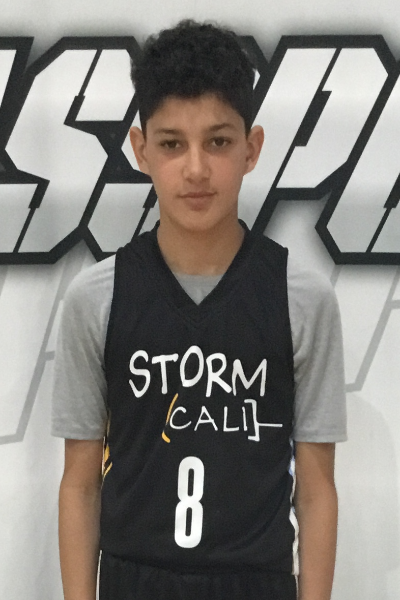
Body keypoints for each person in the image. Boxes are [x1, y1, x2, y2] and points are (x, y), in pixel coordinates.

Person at [52, 19, 347, 600]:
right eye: (171, 144)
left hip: (257, 582)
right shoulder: (97, 297)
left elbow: (316, 493)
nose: (195, 169)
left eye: (218, 142)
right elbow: (80, 486)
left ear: (251, 148)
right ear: (140, 150)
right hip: (133, 581)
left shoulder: (302, 298)